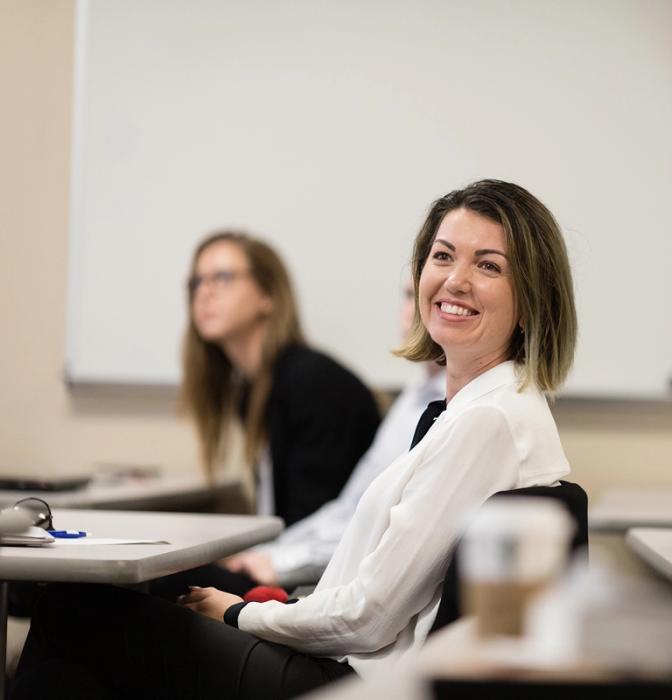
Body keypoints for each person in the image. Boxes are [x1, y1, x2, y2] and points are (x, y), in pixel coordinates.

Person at [12, 179, 579, 698]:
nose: (455, 280)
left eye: (488, 266)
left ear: (530, 300)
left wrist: (240, 614)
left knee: (76, 611)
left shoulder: (487, 423)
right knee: (103, 611)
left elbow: (369, 618)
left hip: (346, 680)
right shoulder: (480, 411)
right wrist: (270, 608)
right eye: (442, 256)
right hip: (345, 657)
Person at [153, 232, 382, 599]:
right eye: (197, 281)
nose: (205, 292)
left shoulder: (313, 383)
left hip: (319, 585)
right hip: (285, 568)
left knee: (154, 578)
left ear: (268, 296)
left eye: (223, 278)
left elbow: (317, 520)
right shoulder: (253, 389)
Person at [221, 281, 445, 589]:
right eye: (410, 296)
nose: (414, 312)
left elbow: (385, 531)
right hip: (324, 569)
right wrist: (272, 551)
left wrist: (280, 561)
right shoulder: (413, 397)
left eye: (435, 298)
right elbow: (349, 509)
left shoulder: (453, 405)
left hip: (344, 585)